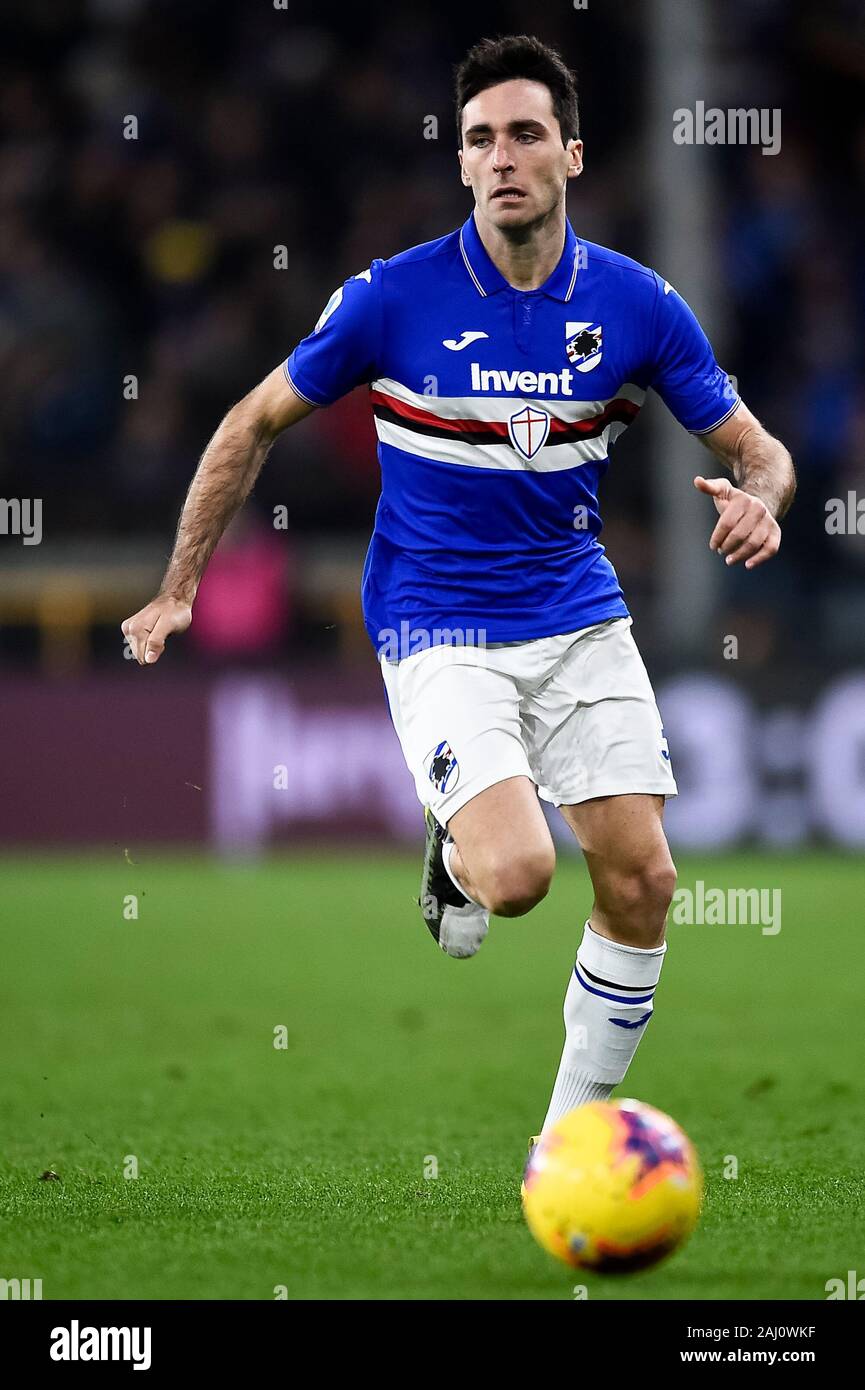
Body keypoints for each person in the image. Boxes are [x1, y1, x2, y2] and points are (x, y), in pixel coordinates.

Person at [122, 35, 795, 1136]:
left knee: (644, 883)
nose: (500, 157)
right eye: (479, 139)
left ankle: (563, 1147)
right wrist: (177, 587)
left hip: (576, 611)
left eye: (525, 134)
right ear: (461, 163)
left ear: (571, 155)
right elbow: (252, 422)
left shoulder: (637, 306)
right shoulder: (392, 300)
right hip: (438, 623)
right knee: (522, 875)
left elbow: (756, 447)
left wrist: (761, 493)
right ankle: (459, 850)